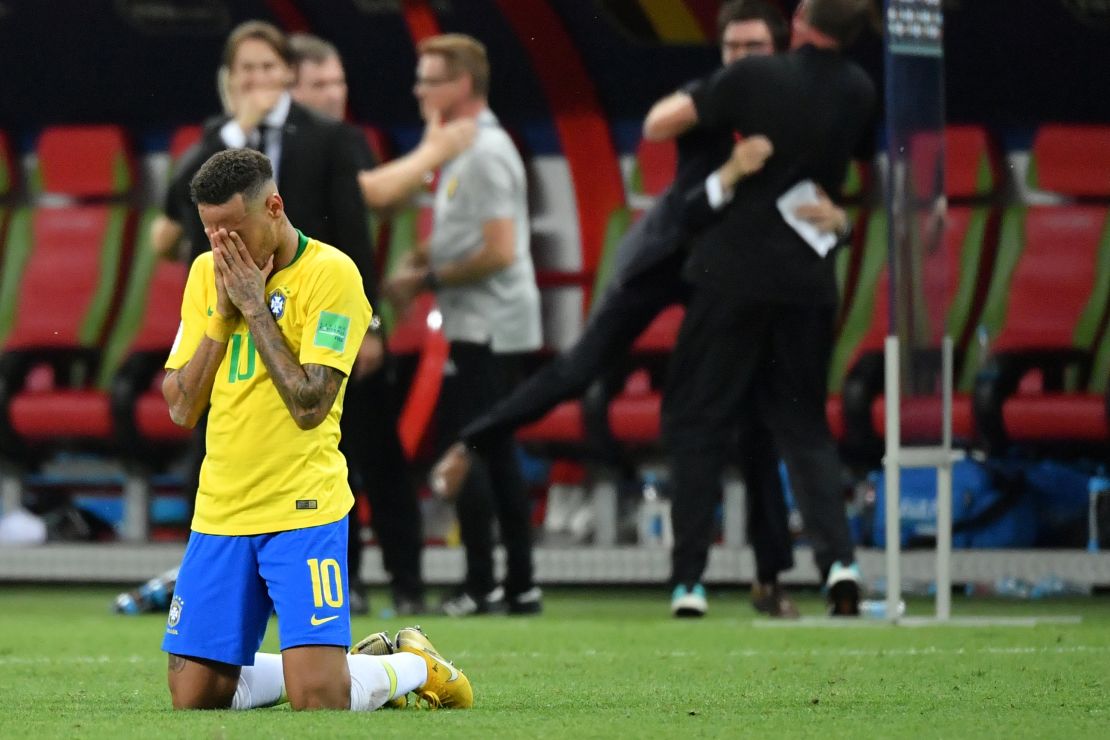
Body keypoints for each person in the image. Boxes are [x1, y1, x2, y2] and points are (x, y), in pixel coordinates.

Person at [431, 0, 830, 619]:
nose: (742, 61)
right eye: (733, 49)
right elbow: (658, 124)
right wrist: (727, 151)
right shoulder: (712, 96)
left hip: (734, 280)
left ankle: (768, 579)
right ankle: (473, 440)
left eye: (755, 50)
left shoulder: (797, 113)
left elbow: (829, 185)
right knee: (580, 366)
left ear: (779, 54)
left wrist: (843, 219)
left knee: (755, 419)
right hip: (670, 252)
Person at [645, 0, 875, 616]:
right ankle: (840, 566)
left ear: (798, 20)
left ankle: (689, 581)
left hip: (732, 277)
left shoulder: (753, 79)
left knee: (698, 421)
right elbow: (866, 174)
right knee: (805, 429)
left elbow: (662, 123)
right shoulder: (859, 88)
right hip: (807, 278)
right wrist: (846, 222)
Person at [377, 34, 543, 617]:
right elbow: (467, 234)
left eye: (429, 79)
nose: (419, 90)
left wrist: (426, 280)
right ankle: (512, 584)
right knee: (489, 451)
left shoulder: (487, 152)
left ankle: (492, 583)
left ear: (462, 84)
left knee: (477, 450)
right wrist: (425, 261)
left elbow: (500, 249)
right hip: (478, 321)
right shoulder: (462, 151)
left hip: (493, 326)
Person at [286, 31, 427, 616]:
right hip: (289, 326)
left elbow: (356, 233)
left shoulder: (346, 141)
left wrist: (368, 326)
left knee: (376, 458)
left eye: (339, 80)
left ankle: (407, 582)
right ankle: (347, 582)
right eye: (320, 82)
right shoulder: (276, 146)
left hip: (342, 321)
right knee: (326, 463)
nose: (335, 92)